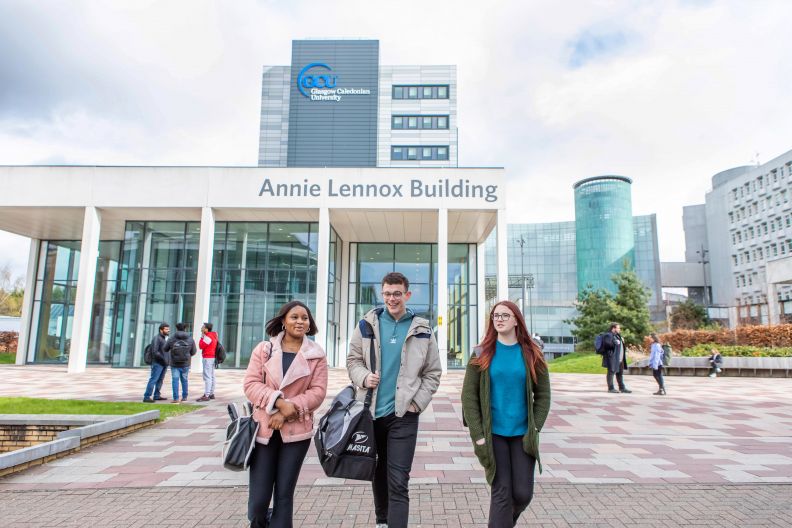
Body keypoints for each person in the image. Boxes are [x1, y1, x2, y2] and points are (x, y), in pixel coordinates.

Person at [347, 272, 442, 528]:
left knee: (399, 479)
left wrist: (416, 404)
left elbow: (432, 372)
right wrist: (364, 377)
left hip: (404, 416)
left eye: (397, 293)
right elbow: (352, 360)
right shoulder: (367, 324)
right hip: (372, 413)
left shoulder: (422, 328)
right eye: (387, 293)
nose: (392, 298)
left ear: (407, 295)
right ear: (382, 293)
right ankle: (382, 521)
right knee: (378, 471)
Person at [462, 300, 551, 528]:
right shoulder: (480, 352)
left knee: (522, 494)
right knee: (501, 492)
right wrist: (478, 436)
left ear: (516, 320)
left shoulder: (532, 353)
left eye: (504, 315)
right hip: (493, 435)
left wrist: (536, 427)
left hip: (522, 434)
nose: (499, 319)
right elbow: (469, 398)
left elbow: (543, 396)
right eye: (495, 316)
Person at [243, 300, 328, 528]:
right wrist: (279, 403)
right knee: (258, 502)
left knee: (284, 496)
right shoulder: (264, 350)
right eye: (294, 317)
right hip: (264, 430)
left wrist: (288, 411)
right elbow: (251, 384)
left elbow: (318, 392)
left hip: (296, 433)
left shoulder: (316, 355)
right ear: (283, 321)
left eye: (305, 318)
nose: (300, 321)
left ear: (310, 324)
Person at [163, 322, 196, 403]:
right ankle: (184, 397)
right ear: (185, 329)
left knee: (175, 380)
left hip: (174, 363)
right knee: (184, 380)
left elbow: (165, 349)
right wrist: (187, 355)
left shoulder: (171, 338)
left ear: (176, 328)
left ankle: (176, 398)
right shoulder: (190, 338)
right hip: (186, 363)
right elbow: (194, 351)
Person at [143, 322, 170, 402]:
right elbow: (155, 352)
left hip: (164, 363)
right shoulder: (157, 338)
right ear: (161, 330)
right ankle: (147, 397)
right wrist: (163, 359)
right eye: (166, 329)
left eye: (168, 329)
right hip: (158, 363)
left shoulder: (165, 338)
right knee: (153, 379)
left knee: (160, 380)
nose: (168, 330)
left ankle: (157, 395)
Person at [602, 323, 631, 393]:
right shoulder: (608, 335)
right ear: (613, 328)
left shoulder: (617, 336)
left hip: (619, 359)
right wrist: (614, 342)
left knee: (620, 373)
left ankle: (622, 388)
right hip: (612, 358)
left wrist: (621, 341)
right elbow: (606, 345)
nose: (619, 329)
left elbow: (619, 346)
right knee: (611, 373)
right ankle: (611, 388)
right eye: (618, 328)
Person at [197, 322, 218, 402]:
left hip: (207, 357)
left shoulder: (208, 337)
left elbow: (200, 346)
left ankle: (207, 395)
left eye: (203, 327)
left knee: (207, 376)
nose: (202, 328)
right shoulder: (214, 335)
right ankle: (211, 393)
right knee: (212, 375)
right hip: (212, 357)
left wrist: (202, 336)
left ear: (206, 329)